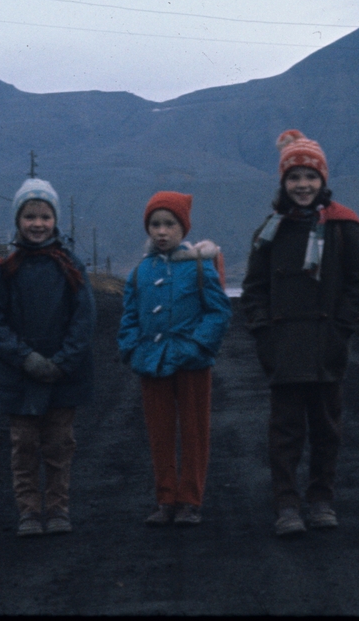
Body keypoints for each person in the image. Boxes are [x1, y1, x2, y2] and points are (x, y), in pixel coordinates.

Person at [242, 130, 359, 537]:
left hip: (325, 346)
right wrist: (264, 334)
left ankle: (320, 500)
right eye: (294, 177)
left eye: (310, 177)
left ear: (323, 181)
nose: (302, 185)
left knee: (325, 428)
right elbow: (254, 289)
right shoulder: (270, 231)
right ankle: (286, 505)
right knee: (284, 431)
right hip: (283, 346)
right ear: (283, 182)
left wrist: (340, 331)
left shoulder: (343, 226)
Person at [0, 178, 96, 537]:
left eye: (44, 216)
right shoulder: (5, 270)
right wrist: (24, 357)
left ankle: (58, 508)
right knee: (24, 447)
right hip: (19, 376)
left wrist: (63, 361)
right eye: (29, 215)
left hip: (64, 377)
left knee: (59, 445)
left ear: (55, 219)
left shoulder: (71, 267)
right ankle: (29, 512)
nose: (37, 223)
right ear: (18, 220)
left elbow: (85, 318)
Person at [118, 191, 232, 527]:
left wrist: (197, 347)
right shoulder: (139, 272)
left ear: (183, 228)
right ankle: (165, 499)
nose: (162, 231)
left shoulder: (199, 266)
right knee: (159, 433)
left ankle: (190, 501)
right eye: (155, 224)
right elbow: (129, 317)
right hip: (151, 363)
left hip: (192, 363)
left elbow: (219, 311)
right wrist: (133, 349)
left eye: (169, 224)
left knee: (195, 432)